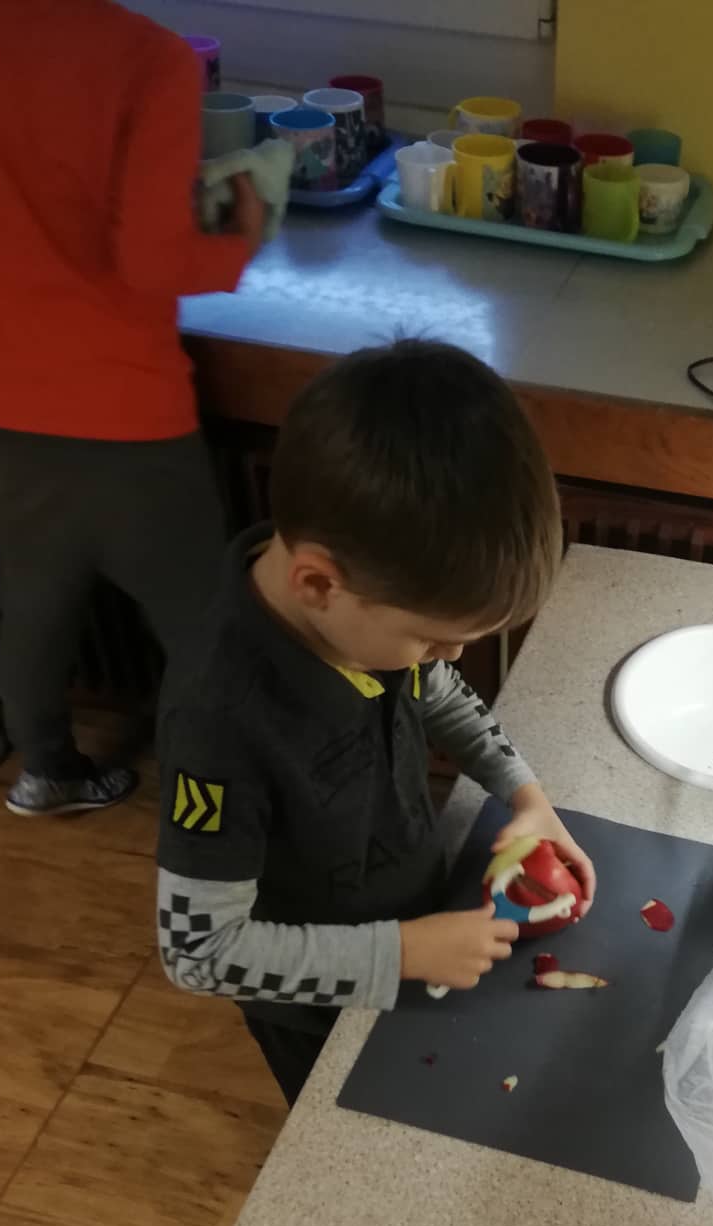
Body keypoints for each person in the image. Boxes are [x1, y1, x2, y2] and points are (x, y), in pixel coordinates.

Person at [156, 340, 596, 1106]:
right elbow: (197, 952)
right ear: (317, 583)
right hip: (319, 1005)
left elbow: (435, 690)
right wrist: (399, 955)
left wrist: (524, 794)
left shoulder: (360, 601)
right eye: (430, 639)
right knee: (349, 1123)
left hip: (418, 922)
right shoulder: (218, 721)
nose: (448, 658)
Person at [0, 0, 267, 817]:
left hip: (11, 416)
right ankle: (215, 799)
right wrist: (241, 229)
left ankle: (46, 772)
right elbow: (150, 259)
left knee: (32, 613)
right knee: (202, 627)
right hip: (135, 425)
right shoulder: (153, 59)